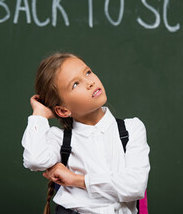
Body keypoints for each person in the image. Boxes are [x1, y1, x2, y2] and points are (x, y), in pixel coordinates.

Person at [21, 52, 151, 214]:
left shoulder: (131, 129)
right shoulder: (60, 139)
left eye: (87, 72)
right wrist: (39, 115)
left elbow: (135, 186)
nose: (89, 82)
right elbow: (34, 160)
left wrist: (76, 180)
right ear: (62, 110)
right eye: (75, 84)